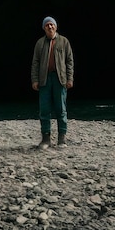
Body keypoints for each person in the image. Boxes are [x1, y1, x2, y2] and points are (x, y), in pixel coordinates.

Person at [31, 16, 74, 148]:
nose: (50, 27)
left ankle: (62, 138)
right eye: (47, 25)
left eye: (52, 25)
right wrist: (35, 80)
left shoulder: (64, 41)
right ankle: (46, 139)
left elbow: (69, 61)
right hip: (44, 79)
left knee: (61, 108)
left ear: (56, 26)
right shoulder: (39, 43)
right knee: (44, 109)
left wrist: (69, 78)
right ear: (44, 28)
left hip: (59, 79)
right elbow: (35, 63)